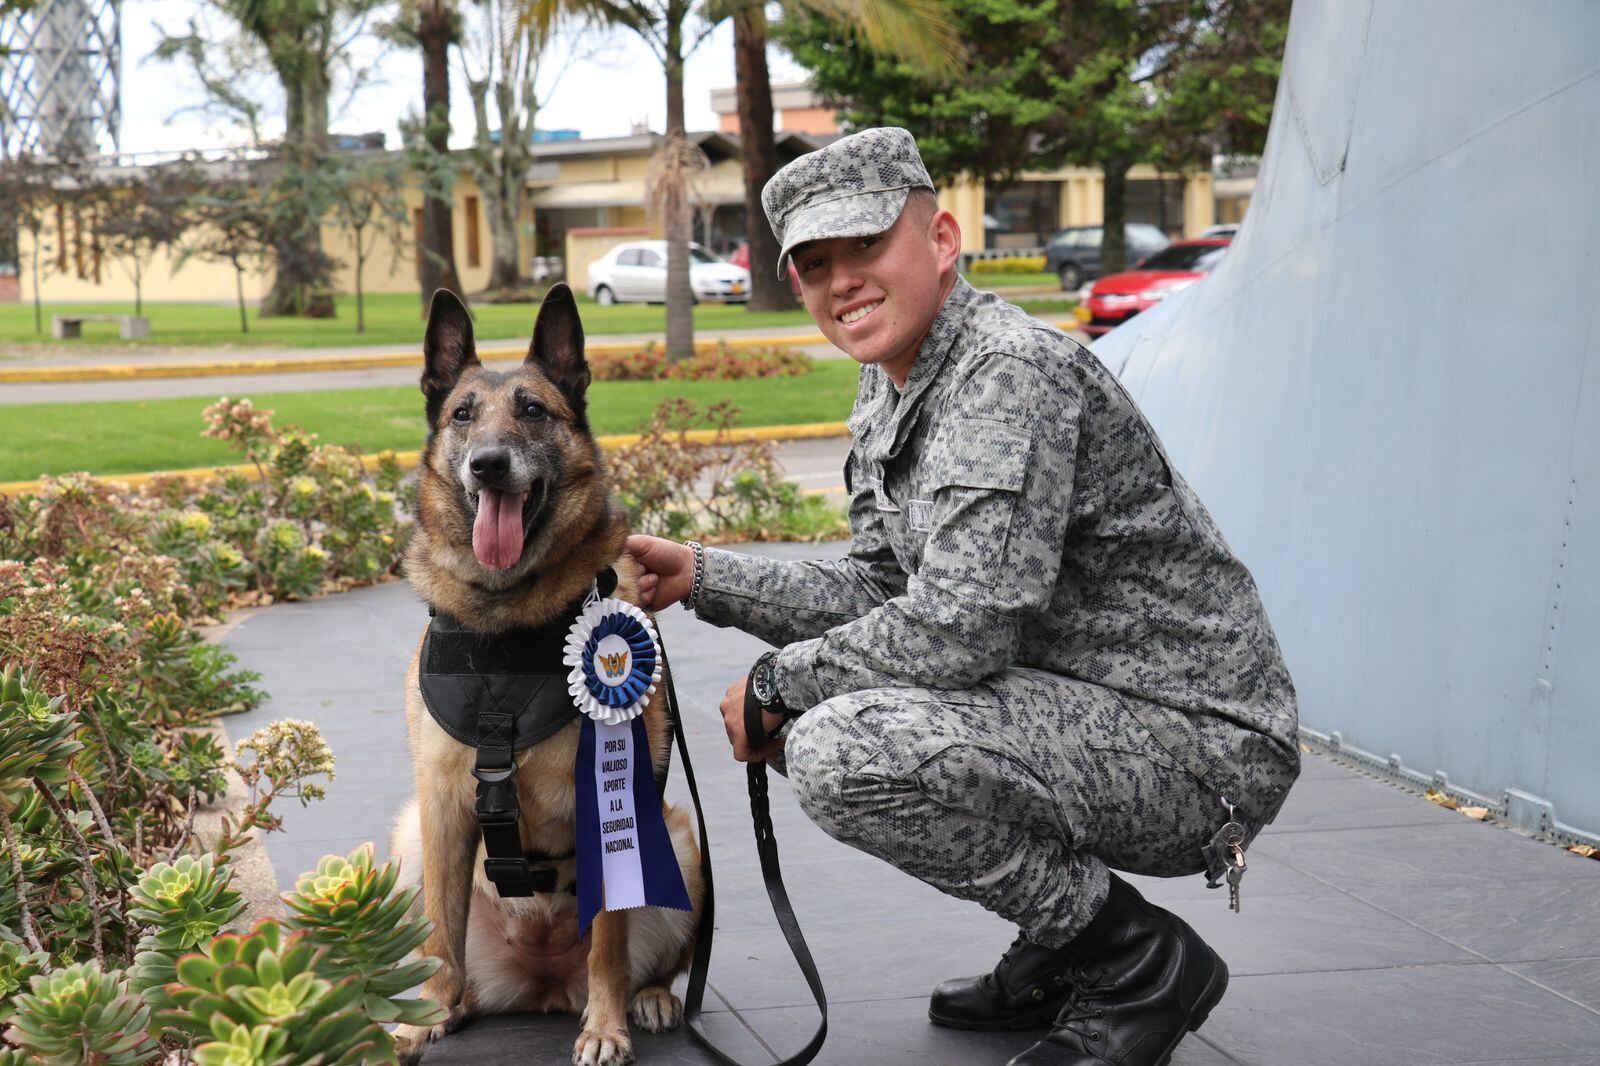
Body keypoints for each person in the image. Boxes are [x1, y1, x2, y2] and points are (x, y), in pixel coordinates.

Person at [626, 127, 1300, 1066]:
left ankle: (1136, 960)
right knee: (827, 709)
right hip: (1090, 707)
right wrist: (704, 575)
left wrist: (782, 683)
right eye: (815, 264)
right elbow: (885, 589)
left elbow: (965, 624)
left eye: (866, 246)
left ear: (941, 241)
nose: (842, 282)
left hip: (1198, 744)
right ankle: (1064, 936)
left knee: (834, 741)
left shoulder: (1005, 373)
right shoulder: (894, 380)